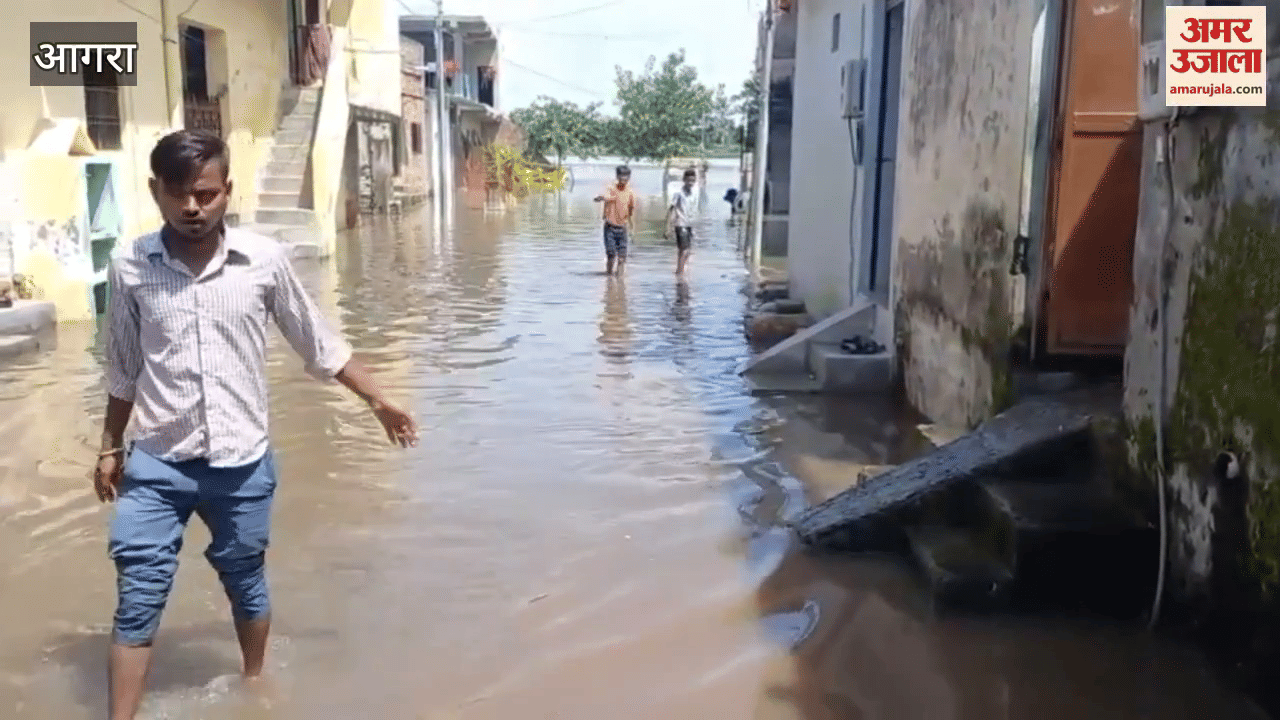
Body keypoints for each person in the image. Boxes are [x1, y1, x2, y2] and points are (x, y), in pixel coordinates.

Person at [94, 129, 418, 720]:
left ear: (227, 192)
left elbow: (317, 343)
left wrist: (380, 401)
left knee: (245, 581)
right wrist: (108, 449)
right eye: (178, 194)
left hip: (241, 464)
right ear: (155, 192)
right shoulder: (131, 264)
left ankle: (252, 682)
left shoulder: (263, 261)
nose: (192, 207)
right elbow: (122, 368)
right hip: (158, 462)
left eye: (206, 194)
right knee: (137, 598)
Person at [592, 165, 637, 276]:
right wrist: (600, 198)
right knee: (611, 255)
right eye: (622, 175)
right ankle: (609, 277)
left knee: (622, 257)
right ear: (617, 176)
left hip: (622, 228)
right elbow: (606, 196)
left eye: (627, 176)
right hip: (610, 227)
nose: (624, 178)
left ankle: (620, 279)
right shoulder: (612, 189)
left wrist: (632, 227)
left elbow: (630, 210)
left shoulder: (630, 192)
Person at [664, 168, 698, 276]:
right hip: (680, 224)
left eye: (692, 180)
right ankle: (679, 273)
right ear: (684, 180)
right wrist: (668, 228)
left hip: (689, 224)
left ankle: (679, 270)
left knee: (686, 251)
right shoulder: (678, 193)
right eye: (688, 180)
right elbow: (671, 210)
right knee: (684, 250)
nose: (690, 183)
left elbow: (693, 210)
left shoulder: (694, 193)